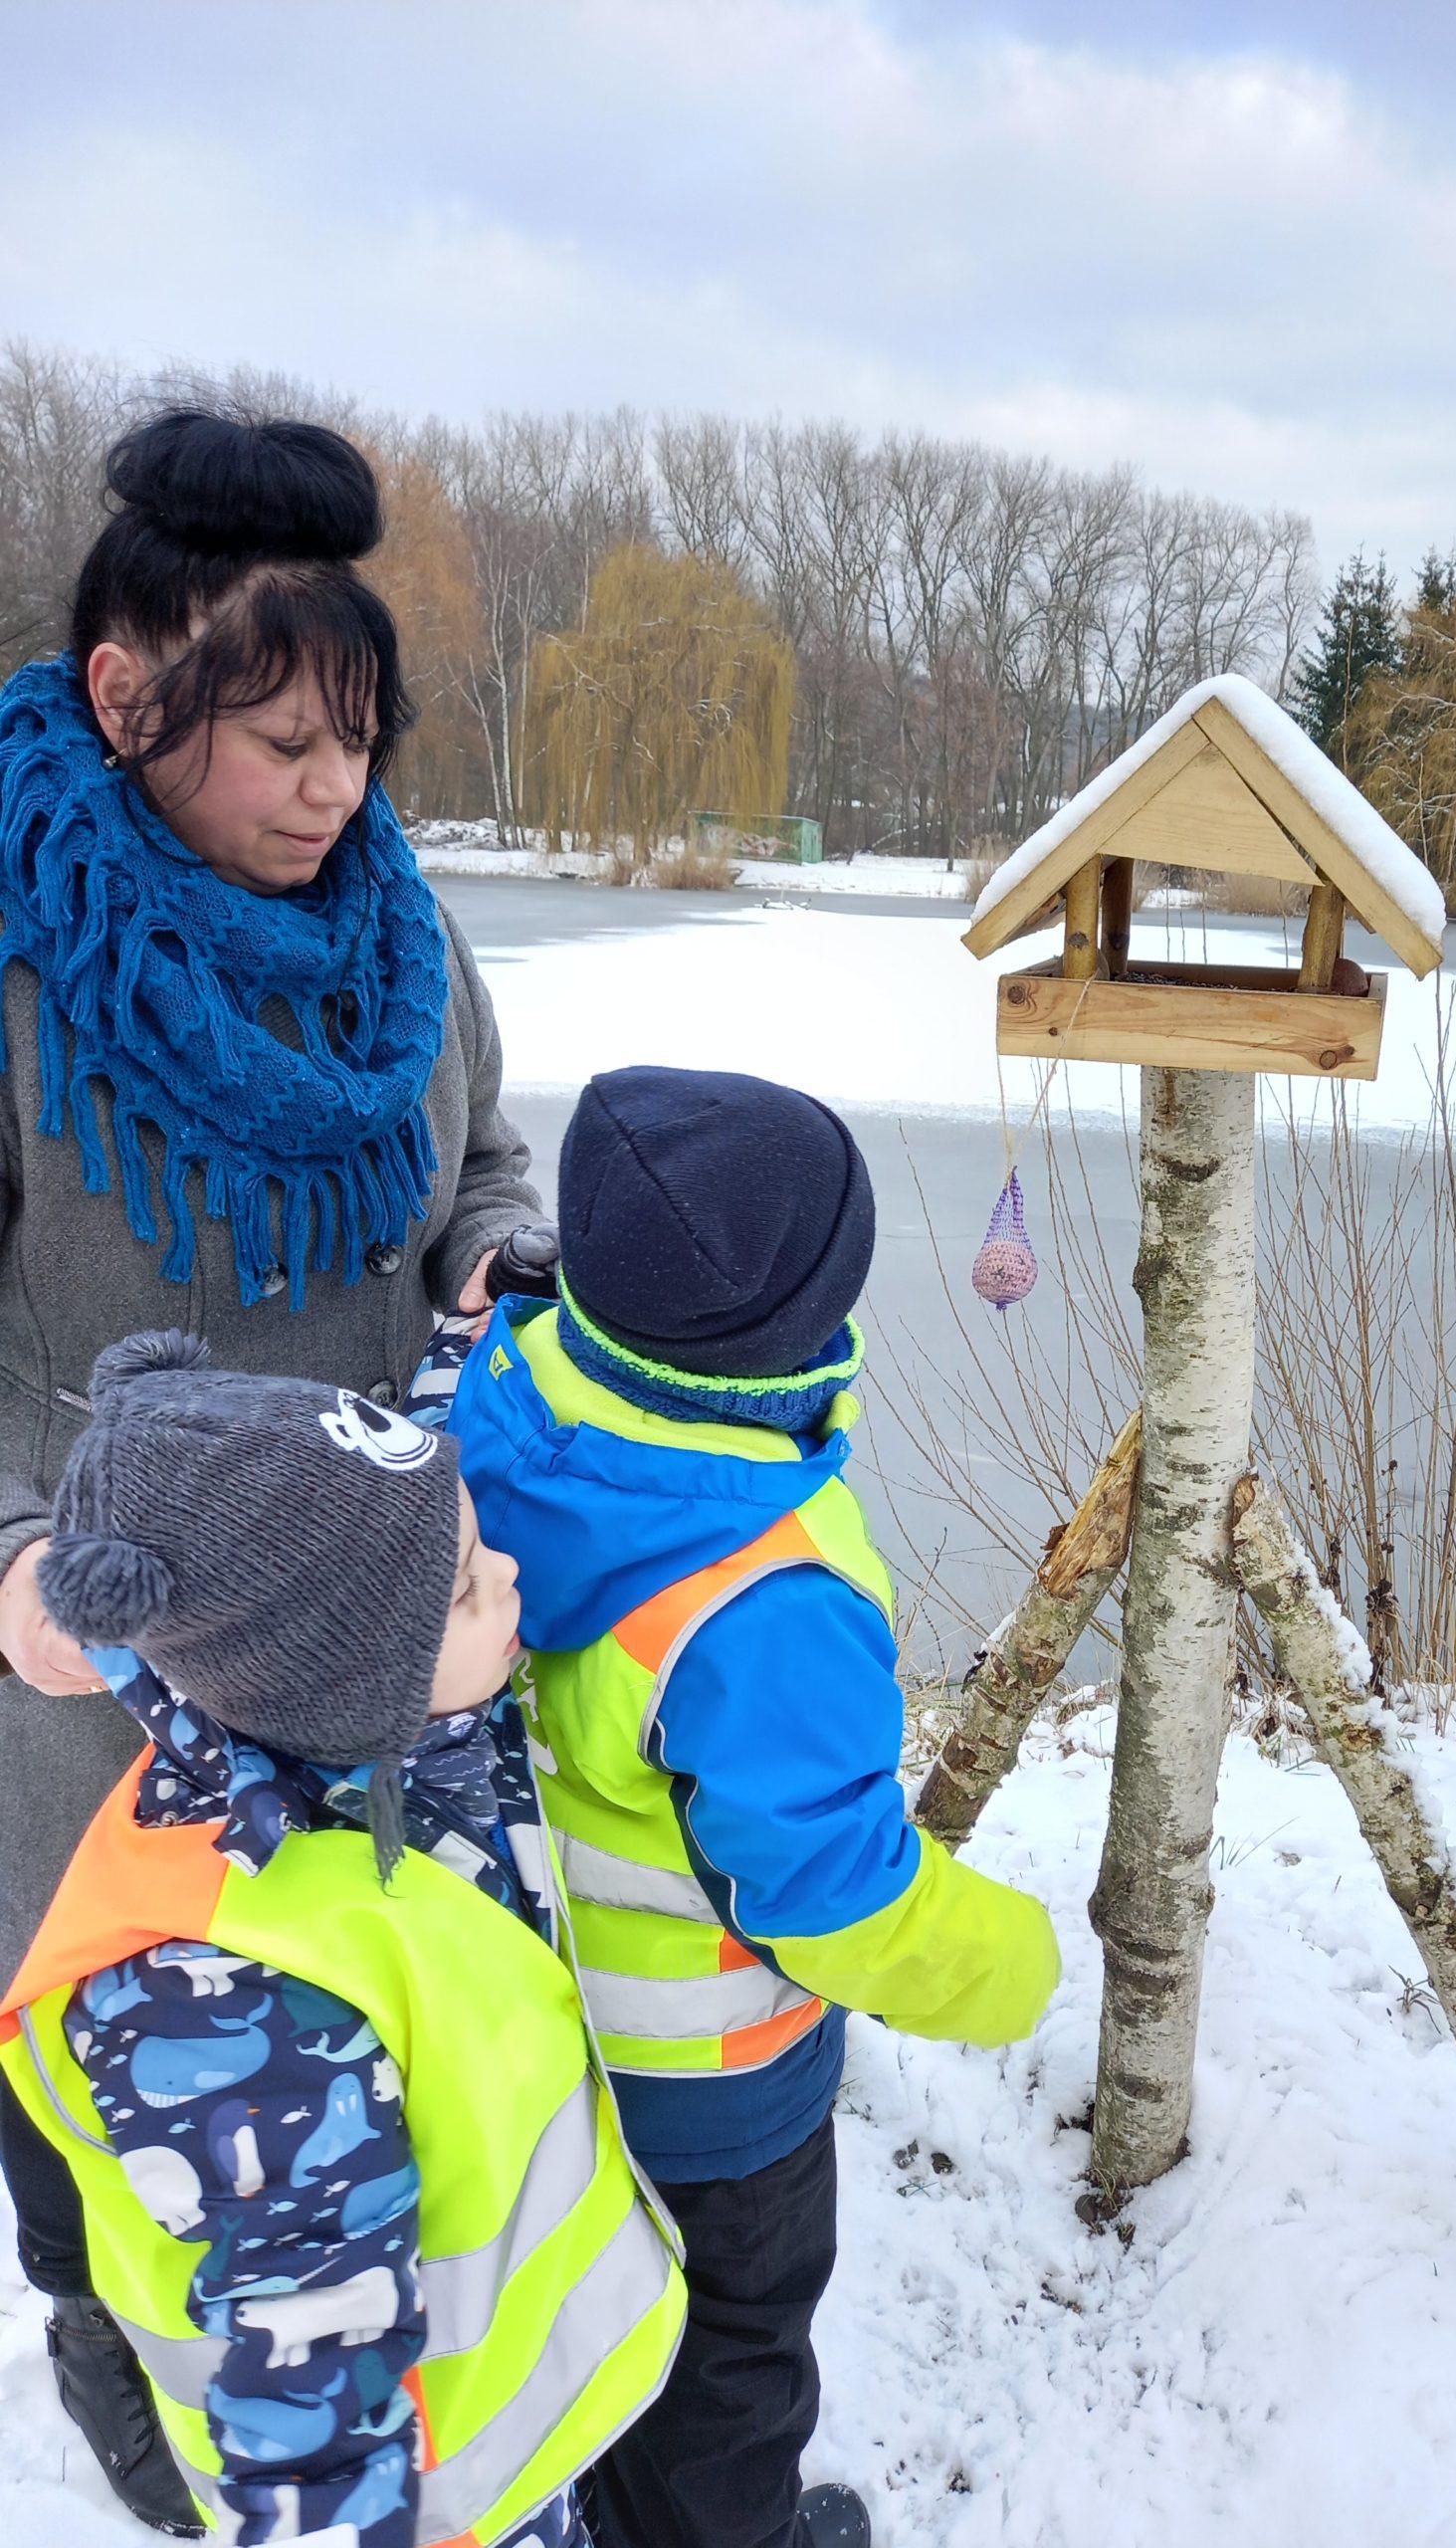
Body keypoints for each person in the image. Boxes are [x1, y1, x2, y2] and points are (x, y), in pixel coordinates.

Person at [0, 408, 540, 2528]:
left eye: (362, 740)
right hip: (87, 1699)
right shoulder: (23, 962)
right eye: (283, 739)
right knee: (124, 2213)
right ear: (128, 698)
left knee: (381, 2141)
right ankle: (169, 2477)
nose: (334, 791)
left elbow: (478, 1144)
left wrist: (499, 1239)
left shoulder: (399, 930)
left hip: (371, 1655)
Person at [446, 1065, 1062, 2548]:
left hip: (536, 2036)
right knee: (729, 2368)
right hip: (713, 2104)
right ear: (793, 1327)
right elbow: (834, 1899)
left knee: (585, 2312)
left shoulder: (514, 1384)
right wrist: (1012, 1965)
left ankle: (599, 2498)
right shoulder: (762, 1602)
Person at [0, 1331, 687, 2545]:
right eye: (470, 1586)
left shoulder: (342, 1721)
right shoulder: (228, 2012)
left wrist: (467, 1332)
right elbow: (309, 2406)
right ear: (357, 1675)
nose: (511, 1575)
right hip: (445, 2498)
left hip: (523, 2430)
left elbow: (359, 1536)